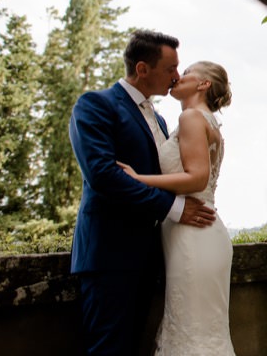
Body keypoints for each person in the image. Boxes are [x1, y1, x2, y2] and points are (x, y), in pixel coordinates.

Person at [69, 29, 216, 355]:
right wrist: (175, 209)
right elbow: (104, 177)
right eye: (170, 68)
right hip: (109, 256)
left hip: (151, 256)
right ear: (142, 69)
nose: (177, 76)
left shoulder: (162, 121)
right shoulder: (95, 105)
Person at [118, 60, 236, 355]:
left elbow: (197, 178)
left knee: (193, 334)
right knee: (203, 332)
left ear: (203, 84)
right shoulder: (208, 120)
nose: (177, 77)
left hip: (193, 235)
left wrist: (138, 178)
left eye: (185, 73)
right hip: (202, 231)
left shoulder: (192, 118)